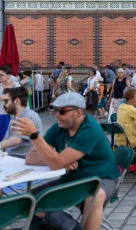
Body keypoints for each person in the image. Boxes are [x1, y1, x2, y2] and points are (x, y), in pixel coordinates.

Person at [12, 92, 120, 230]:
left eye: (62, 111)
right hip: (73, 179)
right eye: (56, 110)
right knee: (31, 198)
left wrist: (35, 135)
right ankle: (68, 226)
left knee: (95, 196)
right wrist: (59, 158)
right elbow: (31, 158)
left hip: (102, 178)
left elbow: (55, 163)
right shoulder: (59, 127)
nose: (57, 115)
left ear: (78, 112)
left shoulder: (89, 129)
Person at [1, 87, 43, 158]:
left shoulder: (29, 116)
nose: (4, 104)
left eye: (6, 101)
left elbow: (17, 140)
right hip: (12, 157)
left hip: (24, 160)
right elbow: (6, 138)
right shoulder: (15, 116)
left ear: (17, 101)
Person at [115, 88, 136, 163]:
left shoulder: (122, 107)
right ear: (130, 98)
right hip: (130, 140)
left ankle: (135, 164)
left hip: (120, 140)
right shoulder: (130, 108)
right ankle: (134, 159)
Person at [0, 65, 21, 141]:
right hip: (1, 113)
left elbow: (20, 98)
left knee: (11, 135)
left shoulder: (15, 85)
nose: (0, 77)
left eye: (1, 75)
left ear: (9, 75)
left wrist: (6, 97)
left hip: (13, 114)